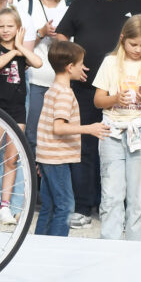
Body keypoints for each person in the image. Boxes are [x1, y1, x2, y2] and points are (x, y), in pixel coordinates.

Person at [55, 0, 141, 227]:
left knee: (126, 147)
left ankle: (121, 209)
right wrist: (72, 60)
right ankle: (84, 207)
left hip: (127, 90)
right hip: (86, 87)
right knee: (86, 145)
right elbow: (62, 34)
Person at [92, 16, 141, 240]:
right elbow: (98, 100)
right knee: (112, 194)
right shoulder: (110, 62)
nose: (138, 50)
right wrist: (116, 98)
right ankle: (110, 245)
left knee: (138, 195)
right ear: (123, 38)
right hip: (112, 129)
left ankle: (137, 248)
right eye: (134, 44)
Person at [35, 41, 105, 237]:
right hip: (57, 159)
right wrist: (88, 129)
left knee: (49, 206)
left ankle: (38, 247)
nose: (84, 67)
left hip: (48, 156)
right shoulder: (65, 93)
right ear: (69, 67)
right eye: (81, 63)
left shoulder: (53, 89)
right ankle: (57, 247)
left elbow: (44, 125)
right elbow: (58, 127)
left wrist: (41, 157)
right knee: (65, 206)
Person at [0, 7, 42, 223]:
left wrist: (20, 48)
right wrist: (14, 52)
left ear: (18, 28)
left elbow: (38, 62)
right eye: (2, 26)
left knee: (11, 159)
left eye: (10, 26)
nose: (6, 30)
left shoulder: (21, 52)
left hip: (17, 110)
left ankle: (4, 205)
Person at [16, 0, 70, 149]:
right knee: (32, 137)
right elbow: (18, 46)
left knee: (59, 140)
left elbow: (76, 47)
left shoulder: (70, 6)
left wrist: (61, 38)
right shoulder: (26, 5)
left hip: (63, 84)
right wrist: (41, 33)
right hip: (35, 81)